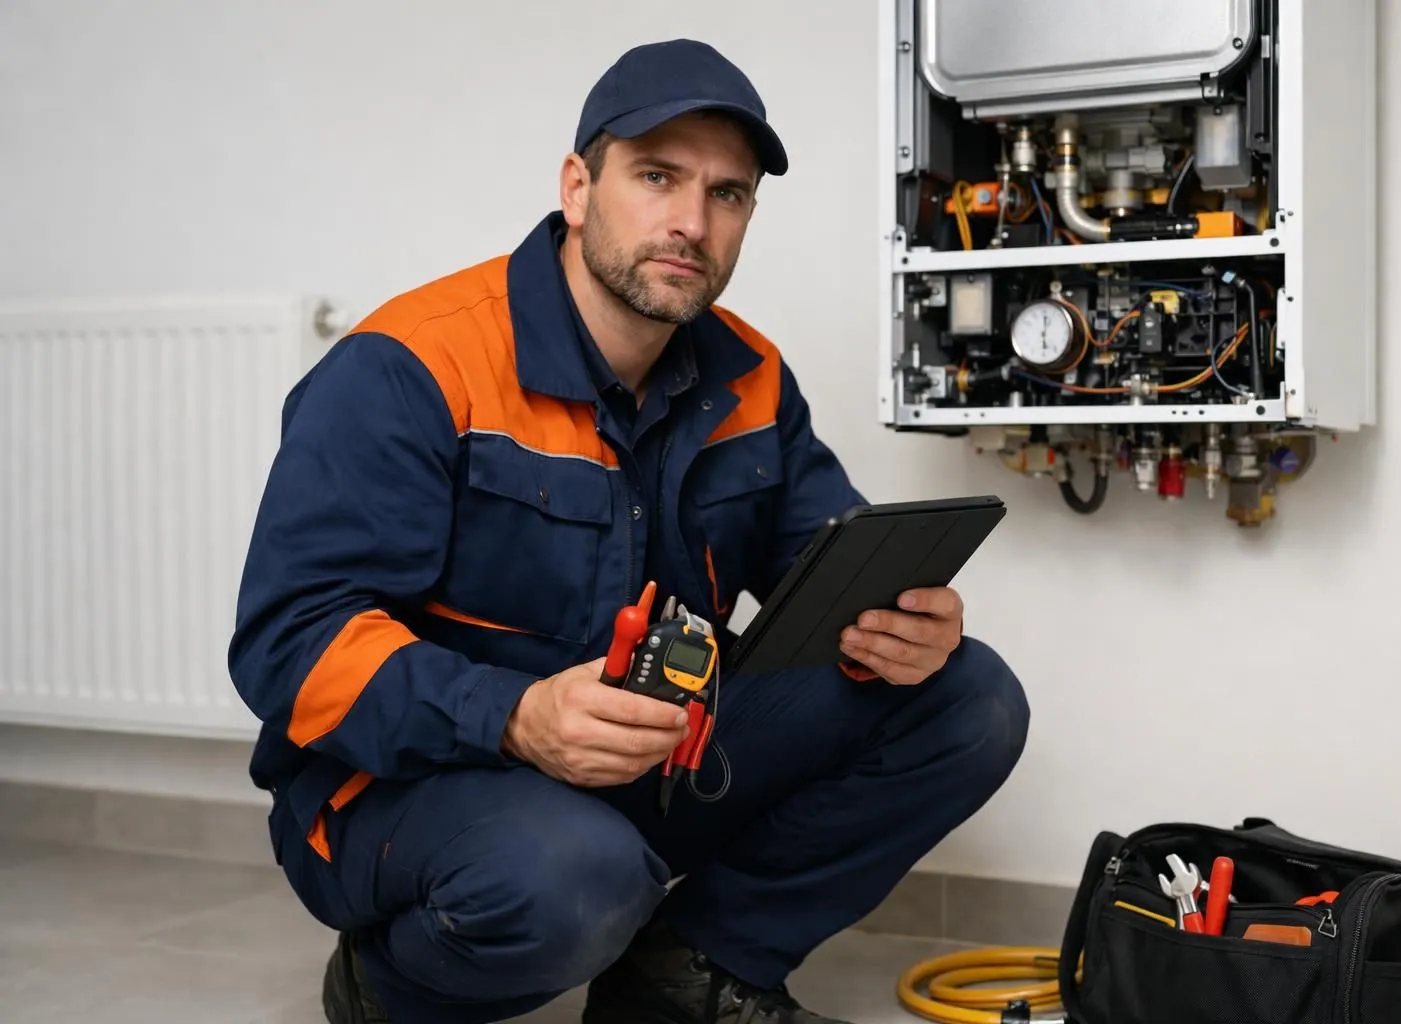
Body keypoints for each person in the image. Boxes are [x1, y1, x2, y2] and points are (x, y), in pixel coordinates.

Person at [228, 36, 1030, 1024]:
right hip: (413, 782)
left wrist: (899, 623)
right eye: (658, 176)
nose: (692, 222)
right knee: (576, 878)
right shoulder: (410, 366)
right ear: (578, 186)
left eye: (727, 194)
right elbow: (289, 644)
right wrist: (518, 716)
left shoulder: (752, 378)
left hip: (648, 750)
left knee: (969, 696)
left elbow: (822, 568)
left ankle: (692, 970)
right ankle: (386, 989)